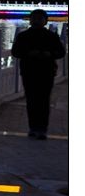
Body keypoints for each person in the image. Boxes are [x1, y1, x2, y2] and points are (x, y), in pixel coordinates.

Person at [11, 9, 66, 140]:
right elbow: (15, 52)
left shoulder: (51, 36)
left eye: (40, 19)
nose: (37, 21)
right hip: (29, 71)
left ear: (45, 21)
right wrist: (29, 53)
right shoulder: (23, 36)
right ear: (30, 20)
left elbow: (61, 52)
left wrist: (49, 54)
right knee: (31, 99)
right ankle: (33, 127)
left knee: (43, 100)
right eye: (34, 18)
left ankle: (42, 128)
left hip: (46, 72)